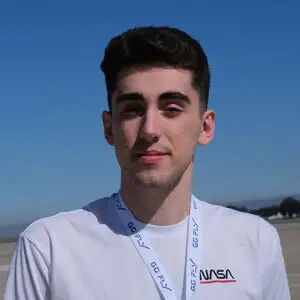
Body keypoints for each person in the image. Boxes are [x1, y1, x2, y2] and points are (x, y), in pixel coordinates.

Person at [4, 26, 290, 300]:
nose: (150, 129)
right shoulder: (49, 247)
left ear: (205, 127)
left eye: (171, 109)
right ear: (108, 128)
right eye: (132, 110)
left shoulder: (255, 240)